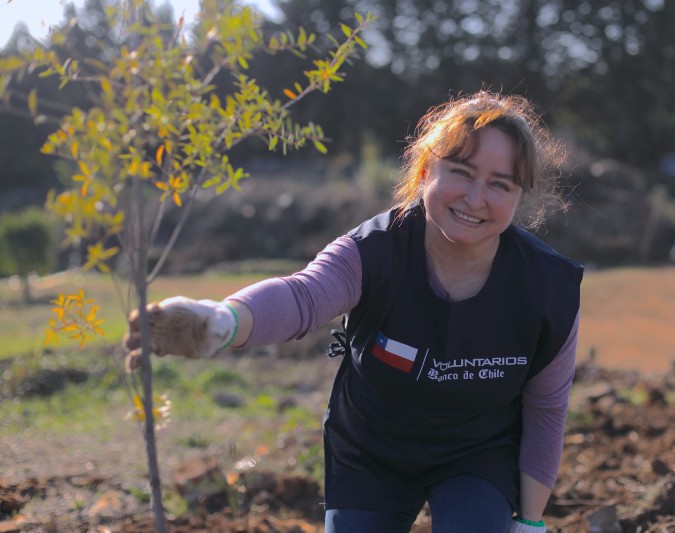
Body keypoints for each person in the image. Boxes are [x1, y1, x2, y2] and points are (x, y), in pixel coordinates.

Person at [125, 91, 583, 533]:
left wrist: (530, 521)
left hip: (479, 454)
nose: (475, 197)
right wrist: (220, 322)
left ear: (519, 196)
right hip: (372, 449)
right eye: (461, 172)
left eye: (499, 184)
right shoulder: (372, 252)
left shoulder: (549, 289)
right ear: (426, 171)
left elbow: (546, 408)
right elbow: (303, 296)